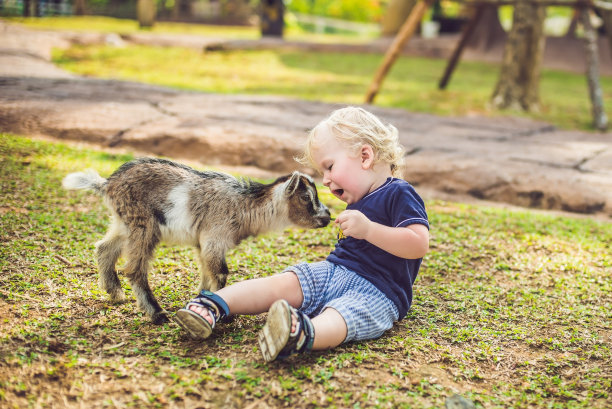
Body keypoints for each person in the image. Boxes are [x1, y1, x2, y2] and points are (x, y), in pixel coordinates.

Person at [174, 106, 430, 362]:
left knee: (343, 315)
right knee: (286, 282)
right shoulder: (360, 198)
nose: (326, 180)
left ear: (365, 156)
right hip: (334, 271)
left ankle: (301, 333)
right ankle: (212, 304)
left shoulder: (400, 193)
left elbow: (418, 244)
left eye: (329, 167)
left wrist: (369, 230)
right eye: (323, 173)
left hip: (378, 290)